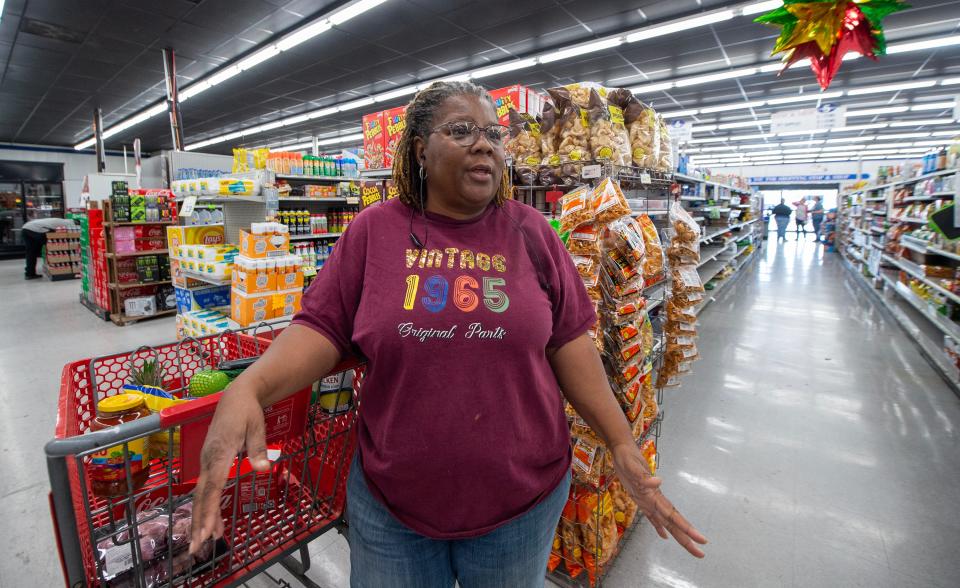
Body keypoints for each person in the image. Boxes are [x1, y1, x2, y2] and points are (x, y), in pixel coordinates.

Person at [189, 81, 706, 586]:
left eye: (493, 134)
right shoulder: (373, 231)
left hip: (520, 508)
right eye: (461, 130)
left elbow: (570, 344)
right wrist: (249, 386)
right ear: (420, 149)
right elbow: (321, 328)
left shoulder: (534, 233)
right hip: (393, 510)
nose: (483, 142)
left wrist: (622, 444)